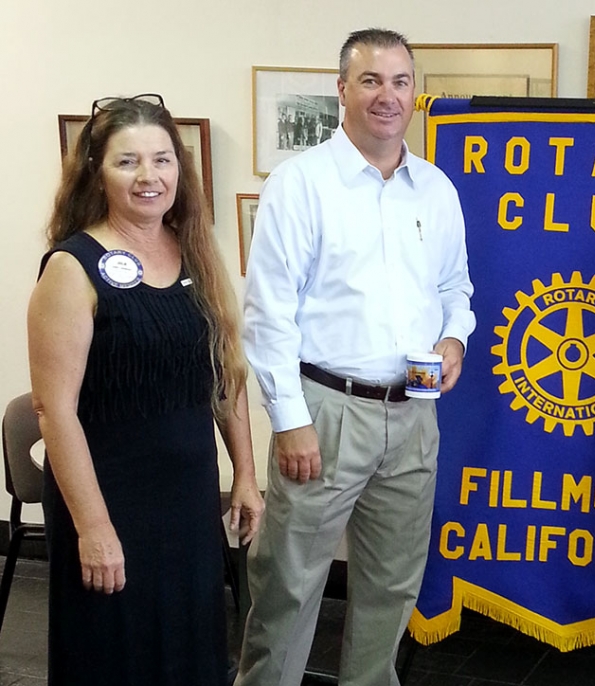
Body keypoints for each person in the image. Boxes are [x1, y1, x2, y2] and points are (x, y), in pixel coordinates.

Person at [235, 28, 475, 686]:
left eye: (400, 81)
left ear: (414, 92)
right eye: (371, 80)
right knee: (288, 587)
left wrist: (455, 336)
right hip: (326, 413)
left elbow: (456, 287)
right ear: (342, 90)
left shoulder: (435, 190)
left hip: (415, 412)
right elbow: (268, 313)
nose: (387, 96)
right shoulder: (301, 184)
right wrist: (289, 419)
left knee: (392, 589)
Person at [27, 94, 264, 686]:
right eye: (127, 161)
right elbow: (53, 411)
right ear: (95, 172)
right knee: (114, 655)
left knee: (189, 649)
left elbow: (224, 373)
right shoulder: (71, 267)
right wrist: (94, 528)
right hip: (109, 501)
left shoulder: (194, 254)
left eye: (162, 160)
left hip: (185, 503)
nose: (149, 177)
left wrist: (245, 474)